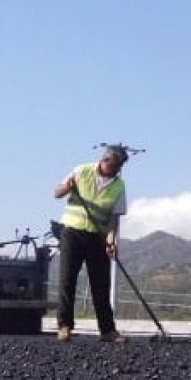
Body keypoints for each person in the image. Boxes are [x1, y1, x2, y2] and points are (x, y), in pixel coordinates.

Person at [53, 145, 129, 343]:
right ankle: (64, 326)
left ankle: (107, 330)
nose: (114, 170)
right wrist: (68, 187)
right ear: (104, 160)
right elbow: (57, 193)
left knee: (101, 284)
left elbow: (115, 216)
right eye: (112, 165)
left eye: (118, 167)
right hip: (72, 232)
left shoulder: (119, 186)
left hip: (98, 236)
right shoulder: (82, 171)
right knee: (67, 280)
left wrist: (111, 237)